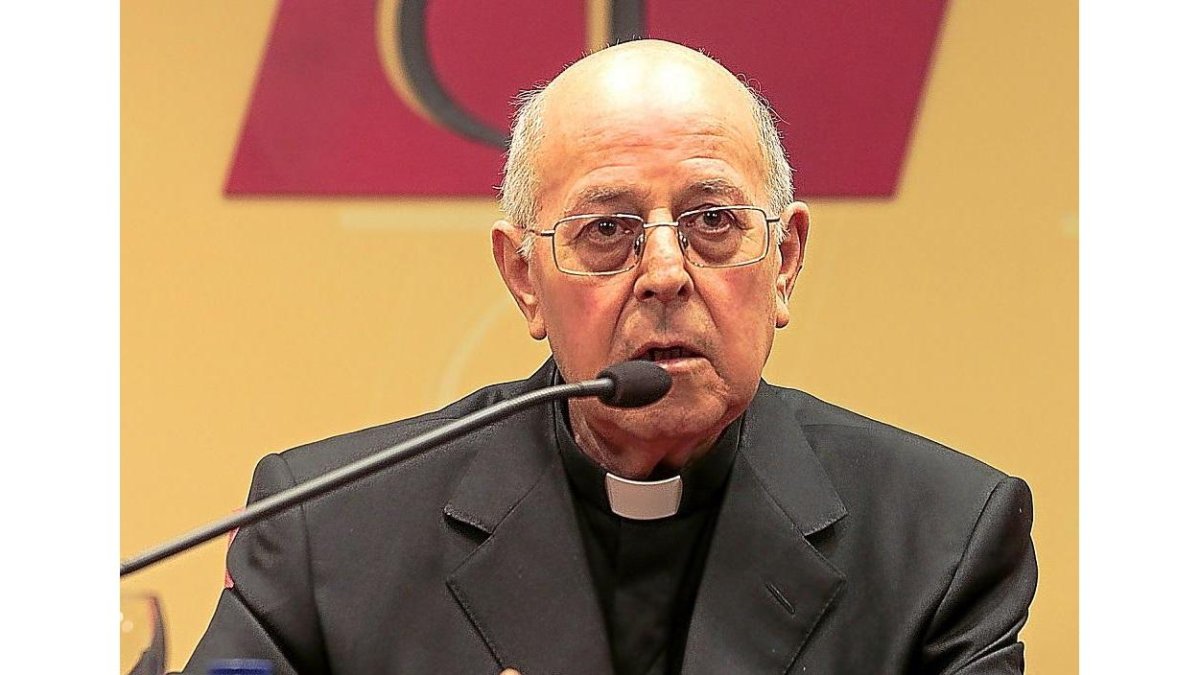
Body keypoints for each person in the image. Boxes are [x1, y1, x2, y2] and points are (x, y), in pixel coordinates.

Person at [182, 40, 1036, 674]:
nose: (666, 272)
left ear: (784, 262)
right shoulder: (325, 535)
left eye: (713, 222)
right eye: (606, 231)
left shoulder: (941, 541)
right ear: (524, 278)